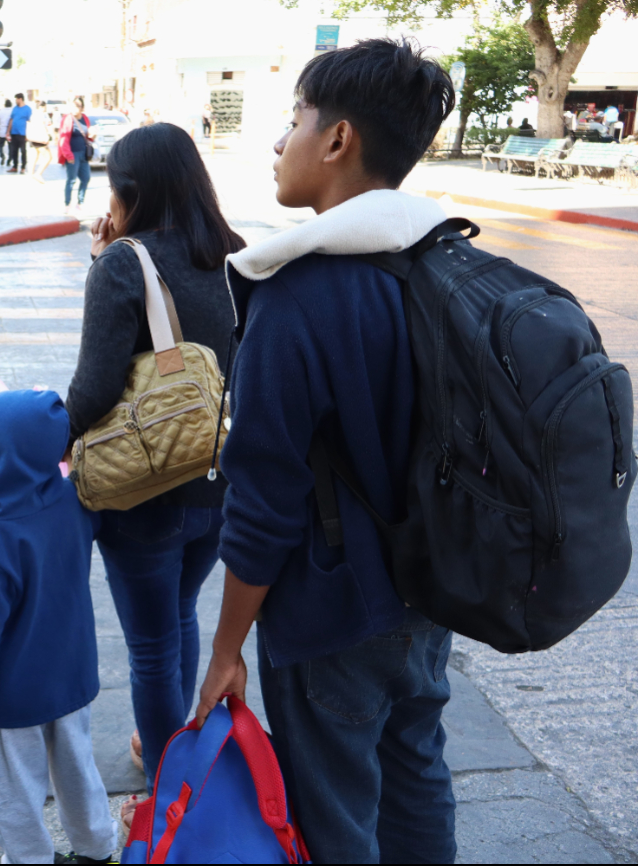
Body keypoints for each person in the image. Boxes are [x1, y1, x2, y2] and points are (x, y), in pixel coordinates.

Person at [193, 38, 457, 863]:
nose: (280, 141)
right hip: (432, 599)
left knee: (336, 814)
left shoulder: (297, 297)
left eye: (295, 118)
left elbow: (263, 502)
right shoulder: (438, 262)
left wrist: (226, 647)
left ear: (338, 139)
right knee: (416, 779)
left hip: (332, 616)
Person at [68, 122, 245, 797]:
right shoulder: (233, 259)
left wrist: (52, 444)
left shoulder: (124, 263)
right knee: (178, 617)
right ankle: (173, 744)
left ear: (129, 189)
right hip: (218, 486)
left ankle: (171, 791)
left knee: (150, 647)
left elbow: (92, 391)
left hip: (145, 494)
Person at [0, 389, 119, 866]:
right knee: (78, 769)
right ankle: (98, 849)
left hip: (11, 696)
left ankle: (28, 860)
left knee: (12, 788)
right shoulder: (73, 499)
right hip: (72, 675)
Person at [59, 95, 94, 212]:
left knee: (86, 178)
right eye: (73, 105)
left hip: (84, 154)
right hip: (73, 154)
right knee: (71, 180)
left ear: (82, 108)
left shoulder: (85, 118)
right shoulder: (68, 119)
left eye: (78, 106)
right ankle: (67, 204)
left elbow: (87, 136)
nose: (75, 108)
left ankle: (80, 202)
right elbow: (63, 138)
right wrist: (68, 155)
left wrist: (92, 136)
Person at [27, 100, 53, 183]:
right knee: (48, 157)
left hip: (33, 139)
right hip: (40, 139)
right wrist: (46, 138)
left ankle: (30, 175)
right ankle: (38, 173)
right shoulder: (43, 115)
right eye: (44, 107)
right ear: (41, 107)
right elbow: (44, 127)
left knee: (34, 157)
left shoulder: (33, 114)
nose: (45, 109)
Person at [7, 92, 31, 173]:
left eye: (16, 99)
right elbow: (11, 120)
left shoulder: (27, 109)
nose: (16, 101)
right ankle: (15, 166)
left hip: (23, 134)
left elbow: (30, 121)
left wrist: (29, 134)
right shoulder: (15, 108)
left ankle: (23, 167)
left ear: (20, 99)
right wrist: (8, 131)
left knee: (23, 151)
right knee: (14, 151)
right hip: (14, 133)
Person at [0, 97, 13, 165]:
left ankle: (2, 156)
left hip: (2, 132)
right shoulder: (12, 111)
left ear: (5, 105)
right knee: (11, 147)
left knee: (0, 146)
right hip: (10, 132)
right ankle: (9, 160)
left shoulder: (1, 111)